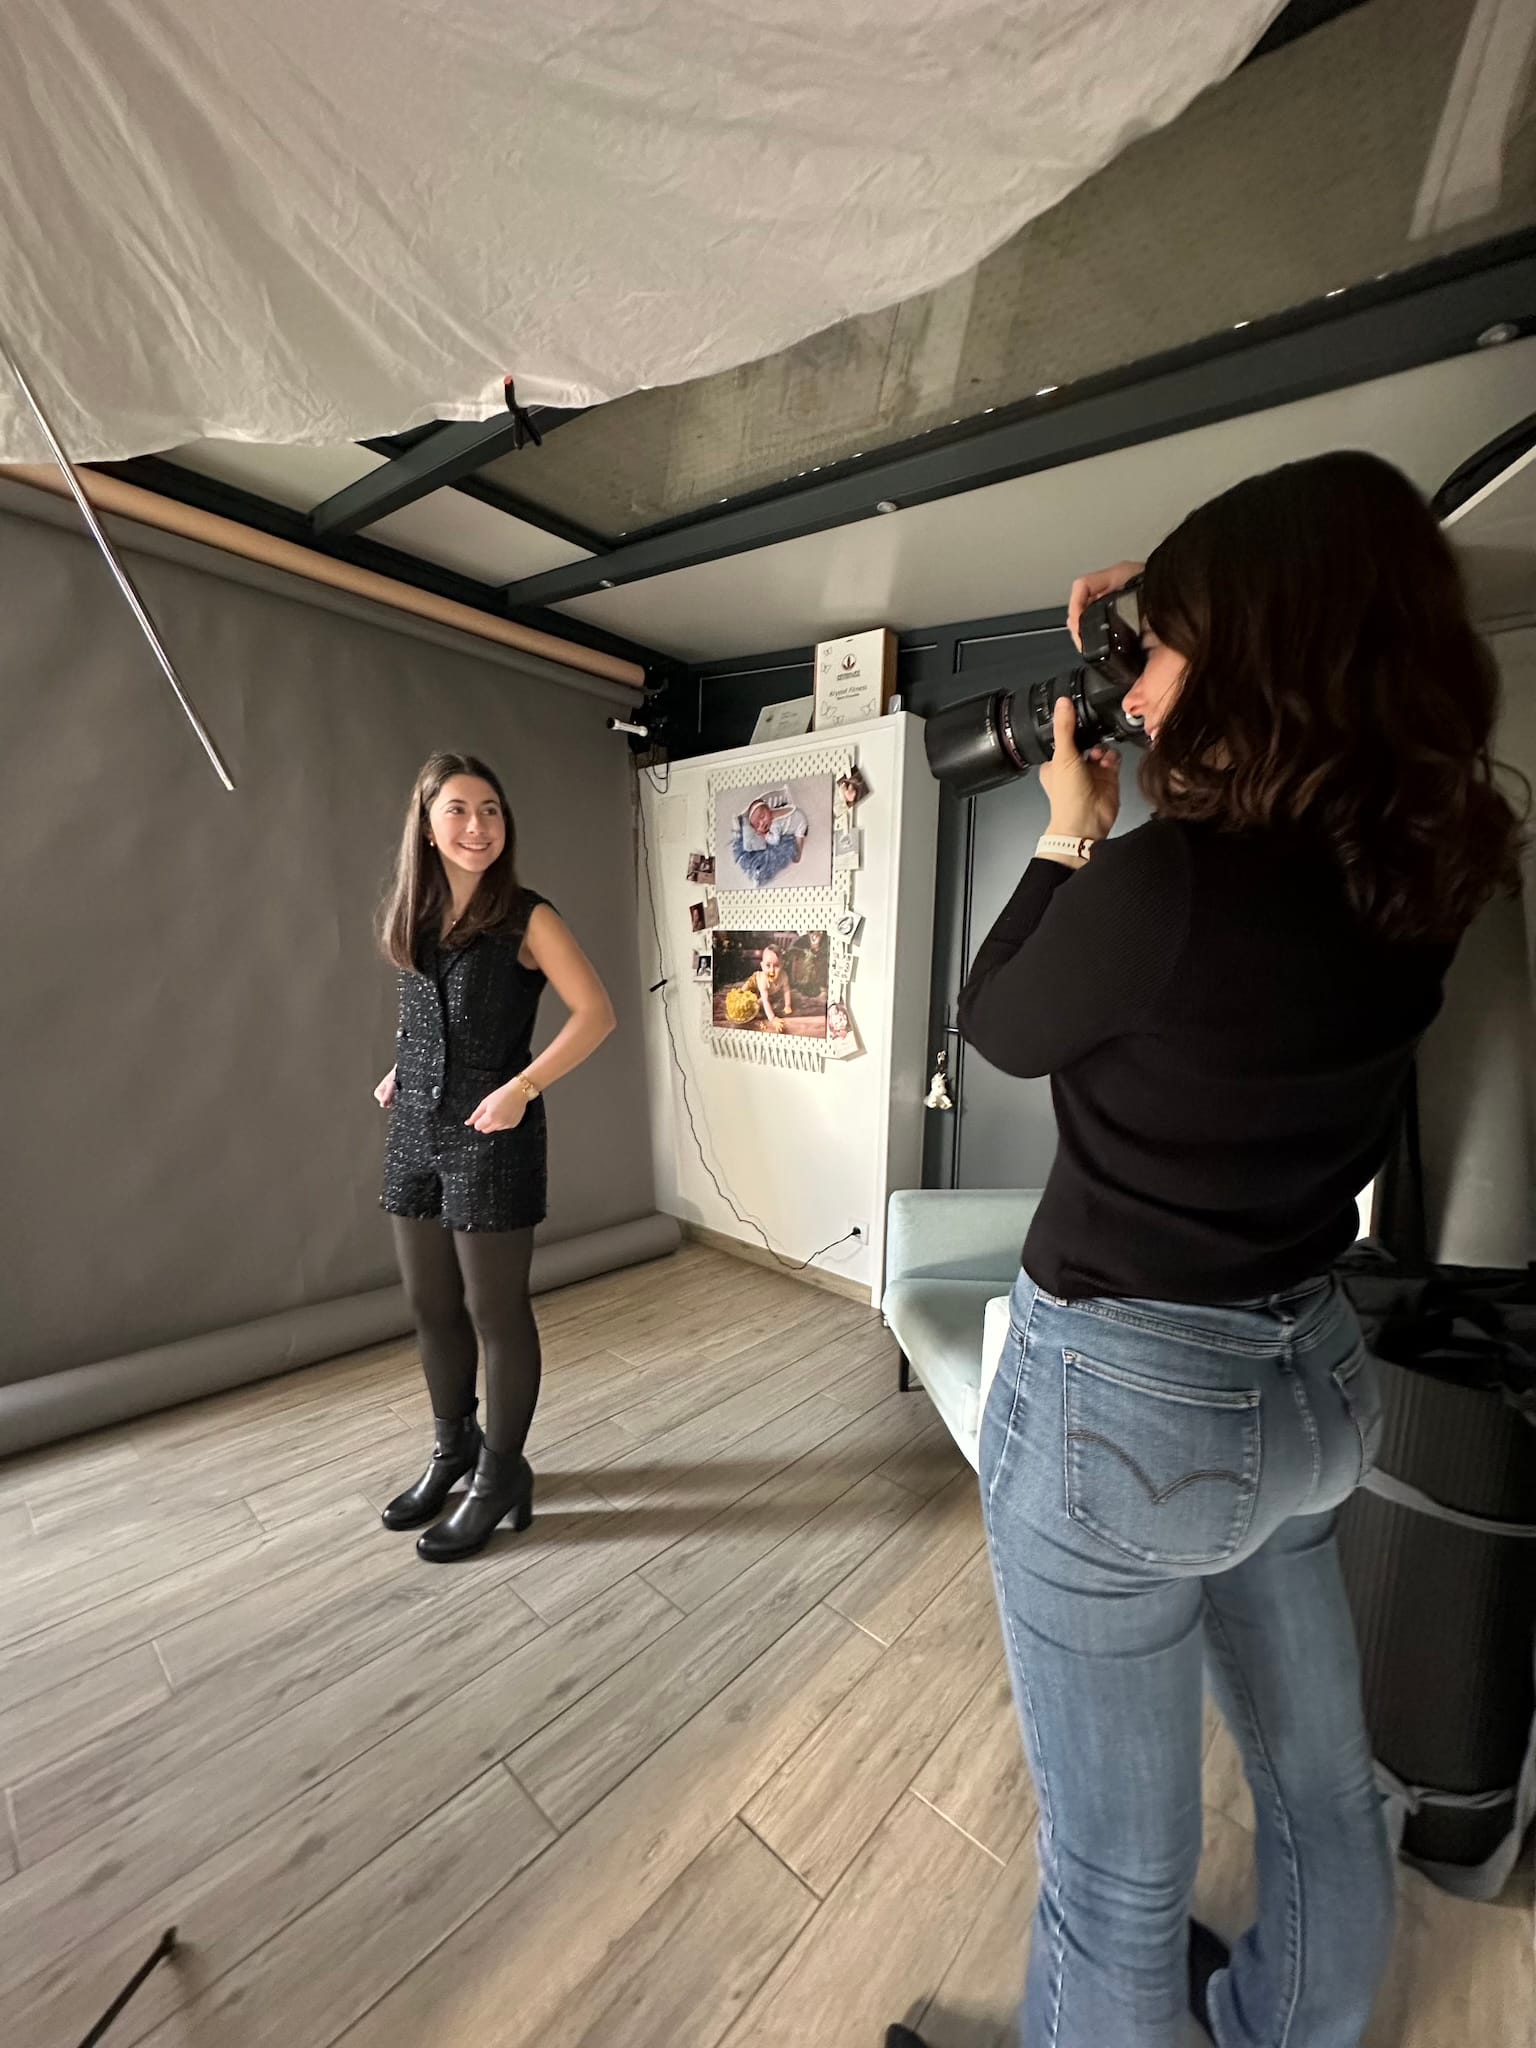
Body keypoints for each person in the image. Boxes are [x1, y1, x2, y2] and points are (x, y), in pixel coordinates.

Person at [887, 453, 1524, 2048]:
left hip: (1126, 1405)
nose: (1144, 695)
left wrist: (1066, 827)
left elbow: (1001, 1023)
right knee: (1321, 1801)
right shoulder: (1428, 872)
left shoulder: (1161, 882)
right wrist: (1147, 643)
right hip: (1307, 1385)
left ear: (1252, 664)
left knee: (1116, 1874)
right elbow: (1247, 890)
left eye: (1165, 661)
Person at [373, 751, 615, 1562]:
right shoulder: (415, 911)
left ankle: (503, 1473)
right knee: (430, 1306)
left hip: (491, 1131)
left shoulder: (528, 916)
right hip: (415, 1126)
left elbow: (596, 1014)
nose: (478, 827)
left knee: (494, 1312)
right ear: (428, 824)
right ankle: (455, 1452)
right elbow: (433, 1015)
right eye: (459, 811)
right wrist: (402, 1067)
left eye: (491, 811)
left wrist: (525, 1086)